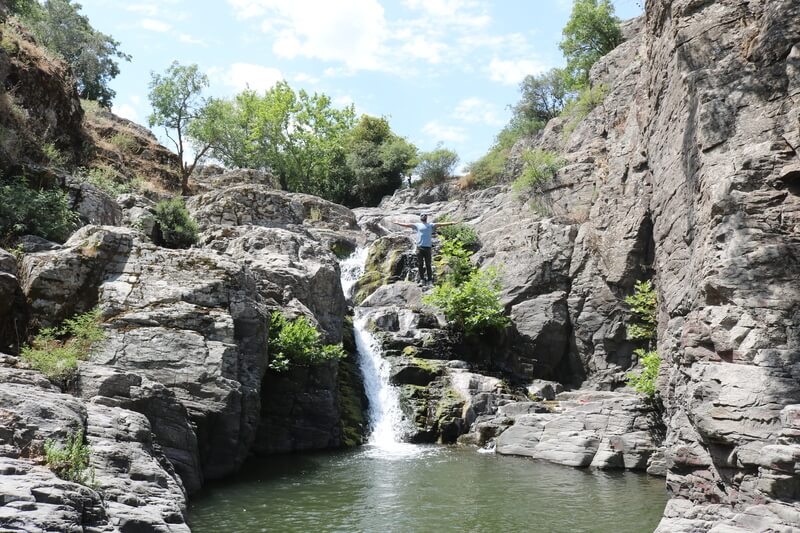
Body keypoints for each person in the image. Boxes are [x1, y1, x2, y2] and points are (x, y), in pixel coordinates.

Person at [394, 214, 457, 284]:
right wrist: (398, 223)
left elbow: (441, 224)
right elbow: (406, 225)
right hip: (419, 248)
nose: (423, 216)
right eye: (422, 215)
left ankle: (430, 280)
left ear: (427, 217)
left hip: (428, 248)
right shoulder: (417, 225)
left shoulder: (431, 225)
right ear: (420, 218)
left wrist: (451, 223)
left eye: (425, 215)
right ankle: (422, 280)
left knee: (428, 264)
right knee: (420, 264)